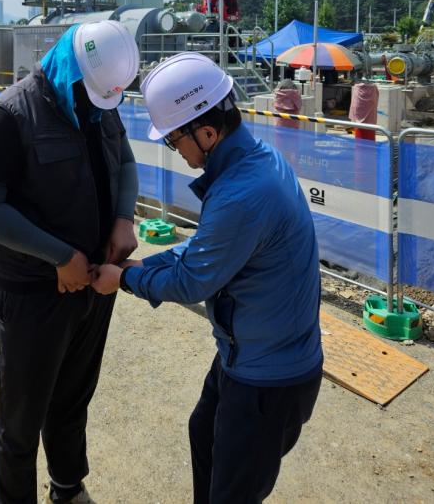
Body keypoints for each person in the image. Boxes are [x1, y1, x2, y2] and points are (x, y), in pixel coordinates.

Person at [92, 52, 323, 504]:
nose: (177, 151)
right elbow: (210, 250)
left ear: (208, 131)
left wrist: (121, 281)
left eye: (175, 141)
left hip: (268, 376)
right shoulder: (255, 162)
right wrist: (146, 265)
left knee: (232, 491)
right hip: (249, 354)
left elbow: (194, 282)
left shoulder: (242, 194)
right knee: (205, 434)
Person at [0, 20, 140, 504]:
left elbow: (124, 162)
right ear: (68, 65)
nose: (96, 106)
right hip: (31, 297)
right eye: (91, 94)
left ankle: (67, 487)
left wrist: (124, 219)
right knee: (20, 422)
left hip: (89, 289)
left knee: (72, 399)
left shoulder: (100, 104)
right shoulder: (7, 116)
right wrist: (60, 256)